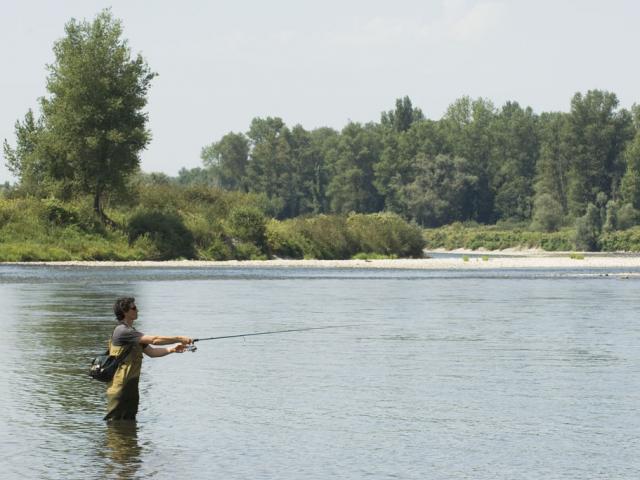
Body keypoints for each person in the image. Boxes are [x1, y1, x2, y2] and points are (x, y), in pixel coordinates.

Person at [104, 296, 193, 421]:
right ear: (125, 312)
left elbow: (152, 352)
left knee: (128, 426)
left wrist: (173, 349)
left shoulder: (132, 333)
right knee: (115, 425)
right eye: (134, 308)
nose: (137, 310)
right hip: (120, 388)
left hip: (131, 386)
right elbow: (154, 340)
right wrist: (179, 338)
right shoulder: (122, 331)